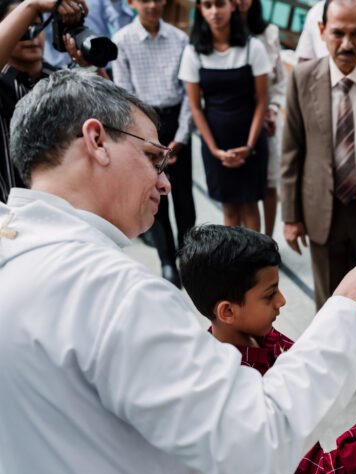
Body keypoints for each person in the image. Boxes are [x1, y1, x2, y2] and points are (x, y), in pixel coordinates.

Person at [0, 67, 356, 474]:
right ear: (96, 140)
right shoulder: (107, 290)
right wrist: (347, 310)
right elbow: (256, 441)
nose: (165, 182)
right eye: (154, 157)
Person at [178, 224, 356, 474]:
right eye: (270, 294)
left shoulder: (264, 337)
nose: (282, 301)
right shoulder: (239, 385)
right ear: (228, 311)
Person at [281, 0, 356, 309]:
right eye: (338, 33)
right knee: (328, 302)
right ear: (321, 31)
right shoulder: (302, 77)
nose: (347, 44)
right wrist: (291, 216)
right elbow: (291, 150)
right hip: (322, 208)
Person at [112, 0, 195, 287]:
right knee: (154, 198)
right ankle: (167, 261)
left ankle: (189, 260)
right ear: (132, 3)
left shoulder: (180, 38)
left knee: (184, 197)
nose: (152, 4)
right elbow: (125, 96)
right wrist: (147, 141)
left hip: (176, 125)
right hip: (145, 127)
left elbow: (190, 94)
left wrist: (182, 137)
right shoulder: (122, 41)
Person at [179, 0, 270, 230]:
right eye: (207, 5)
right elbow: (196, 107)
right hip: (215, 141)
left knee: (251, 206)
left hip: (251, 140)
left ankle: (255, 264)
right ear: (200, 9)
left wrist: (249, 147)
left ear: (232, 6)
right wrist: (215, 150)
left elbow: (261, 101)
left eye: (220, 4)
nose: (214, 12)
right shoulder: (193, 52)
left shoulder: (252, 47)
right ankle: (234, 265)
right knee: (228, 209)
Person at [0, 0, 98, 202]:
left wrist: (90, 66)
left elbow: (112, 122)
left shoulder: (63, 81)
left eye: (37, 24)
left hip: (65, 212)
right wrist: (31, 6)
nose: (31, 33)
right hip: (10, 220)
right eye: (21, 24)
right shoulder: (3, 85)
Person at [239, 0, 284, 237]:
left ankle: (268, 239)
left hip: (267, 120)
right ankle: (248, 239)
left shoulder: (269, 33)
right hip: (237, 119)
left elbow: (279, 80)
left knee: (269, 184)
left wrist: (273, 109)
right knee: (244, 188)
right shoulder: (225, 32)